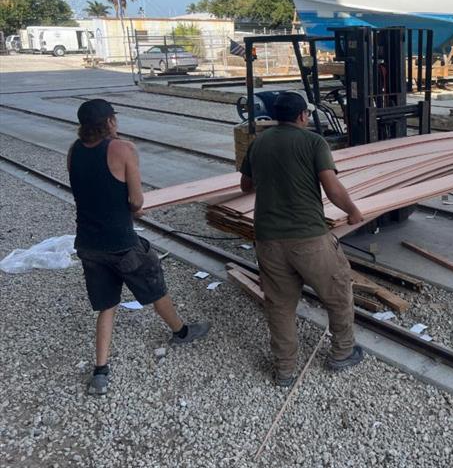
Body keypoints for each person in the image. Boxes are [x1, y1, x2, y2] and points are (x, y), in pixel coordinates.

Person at [68, 99, 210, 396]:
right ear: (109, 122)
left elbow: (90, 190)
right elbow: (136, 201)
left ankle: (101, 371)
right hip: (121, 243)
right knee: (155, 287)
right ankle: (181, 332)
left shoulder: (73, 151)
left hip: (88, 244)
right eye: (113, 119)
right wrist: (135, 210)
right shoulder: (123, 149)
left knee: (107, 306)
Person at [240, 91, 365, 386]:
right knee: (337, 293)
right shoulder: (313, 142)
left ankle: (285, 370)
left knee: (280, 306)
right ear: (301, 116)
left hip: (268, 240)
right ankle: (342, 353)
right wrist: (353, 211)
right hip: (308, 238)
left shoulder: (258, 143)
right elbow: (332, 188)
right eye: (307, 114)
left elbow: (246, 186)